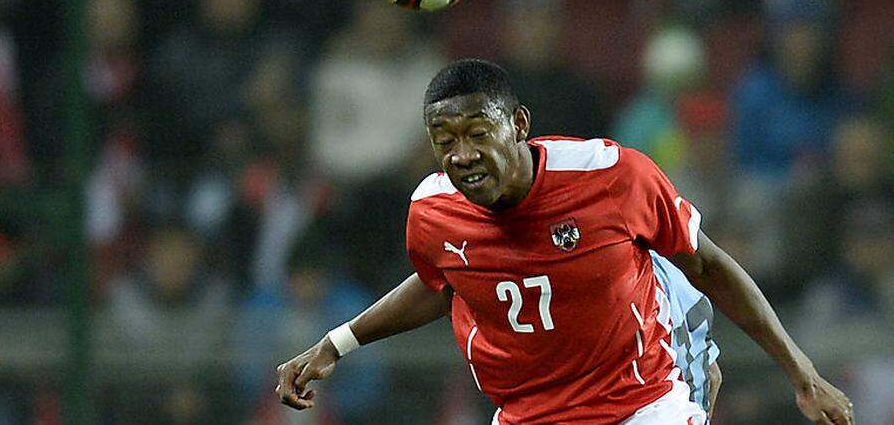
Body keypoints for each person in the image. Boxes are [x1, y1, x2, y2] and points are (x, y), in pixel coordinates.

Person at [276, 59, 853, 424]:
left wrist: (802, 372)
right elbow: (441, 283)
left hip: (644, 399)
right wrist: (337, 344)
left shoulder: (609, 175)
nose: (462, 155)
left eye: (478, 133)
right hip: (527, 413)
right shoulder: (432, 211)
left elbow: (706, 265)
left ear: (519, 125)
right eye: (444, 140)